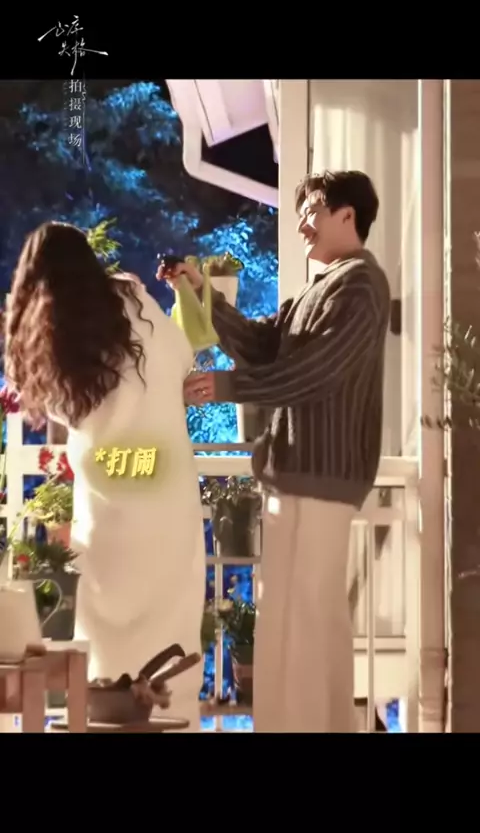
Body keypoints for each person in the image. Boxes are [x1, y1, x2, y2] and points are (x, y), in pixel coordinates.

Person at [158, 170, 391, 733]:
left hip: (321, 475)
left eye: (312, 210)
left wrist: (228, 386)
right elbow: (265, 344)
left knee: (303, 620)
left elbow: (315, 372)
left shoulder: (360, 286)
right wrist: (202, 292)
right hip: (298, 475)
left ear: (347, 215)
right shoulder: (323, 286)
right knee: (300, 618)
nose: (302, 223)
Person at [6, 221, 205, 731]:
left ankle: (105, 715)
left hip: (109, 503)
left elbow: (62, 409)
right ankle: (173, 716)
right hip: (168, 493)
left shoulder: (59, 333)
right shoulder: (134, 300)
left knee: (107, 649)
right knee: (172, 634)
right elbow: (183, 357)